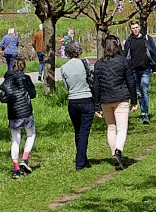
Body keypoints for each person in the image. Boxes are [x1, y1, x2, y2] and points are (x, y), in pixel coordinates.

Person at [93, 34, 138, 167]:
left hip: (105, 100)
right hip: (121, 98)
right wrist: (134, 100)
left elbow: (96, 85)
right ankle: (118, 151)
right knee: (122, 128)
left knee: (111, 127)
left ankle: (114, 154)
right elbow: (131, 81)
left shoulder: (99, 64)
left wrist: (96, 105)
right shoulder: (123, 61)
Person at [58, 40, 97, 170]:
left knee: (78, 131)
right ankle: (80, 162)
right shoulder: (85, 63)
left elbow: (66, 86)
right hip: (86, 99)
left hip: (72, 101)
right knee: (84, 132)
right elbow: (93, 77)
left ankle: (83, 159)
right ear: (79, 51)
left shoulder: (63, 67)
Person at [0, 58, 37, 177]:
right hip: (26, 112)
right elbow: (33, 94)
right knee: (31, 134)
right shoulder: (26, 78)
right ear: (24, 67)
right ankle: (24, 159)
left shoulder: (7, 81)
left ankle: (16, 169)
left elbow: (3, 99)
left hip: (14, 113)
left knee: (15, 139)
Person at [123, 20, 156, 124]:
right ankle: (143, 112)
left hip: (145, 69)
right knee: (138, 92)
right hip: (134, 70)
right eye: (133, 28)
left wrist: (155, 68)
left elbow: (154, 53)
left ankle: (145, 114)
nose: (135, 30)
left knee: (145, 90)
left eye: (137, 27)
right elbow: (126, 56)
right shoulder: (129, 41)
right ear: (130, 29)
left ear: (140, 28)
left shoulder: (147, 39)